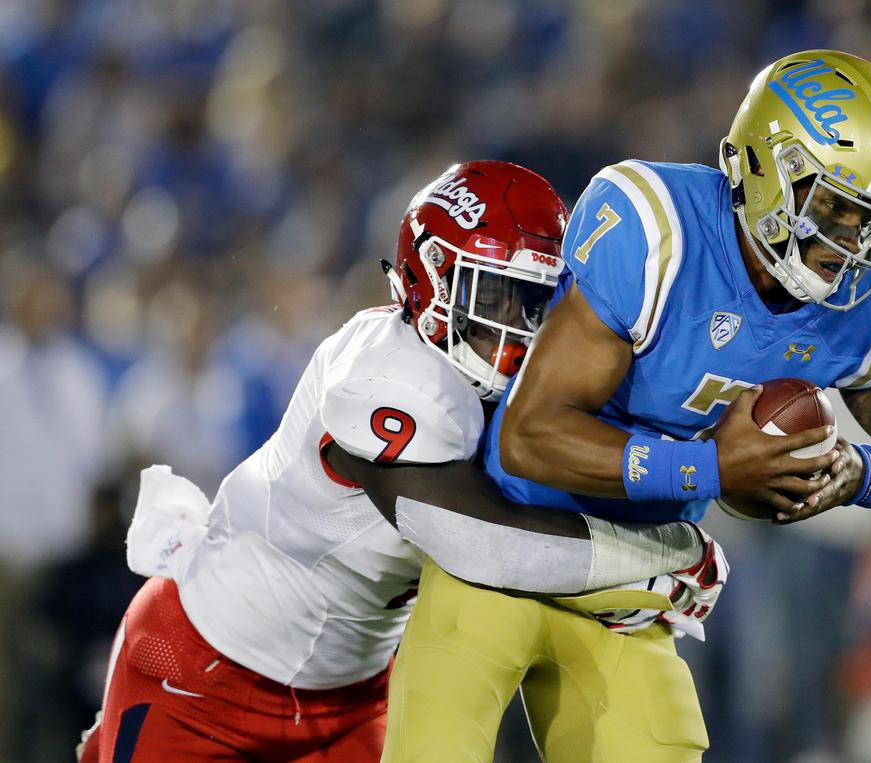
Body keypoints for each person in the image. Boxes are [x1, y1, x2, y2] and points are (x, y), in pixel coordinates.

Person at [385, 49, 871, 759]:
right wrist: (710, 468)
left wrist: (862, 473)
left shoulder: (870, 300)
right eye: (835, 207)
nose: (849, 247)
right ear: (763, 169)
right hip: (506, 546)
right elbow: (530, 437)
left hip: (629, 586)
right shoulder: (658, 229)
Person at [77, 161, 725, 762]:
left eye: (533, 301)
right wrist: (658, 556)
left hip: (355, 695)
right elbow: (477, 540)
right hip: (204, 669)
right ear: (431, 277)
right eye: (494, 295)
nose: (518, 326)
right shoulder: (387, 370)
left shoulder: (521, 381)